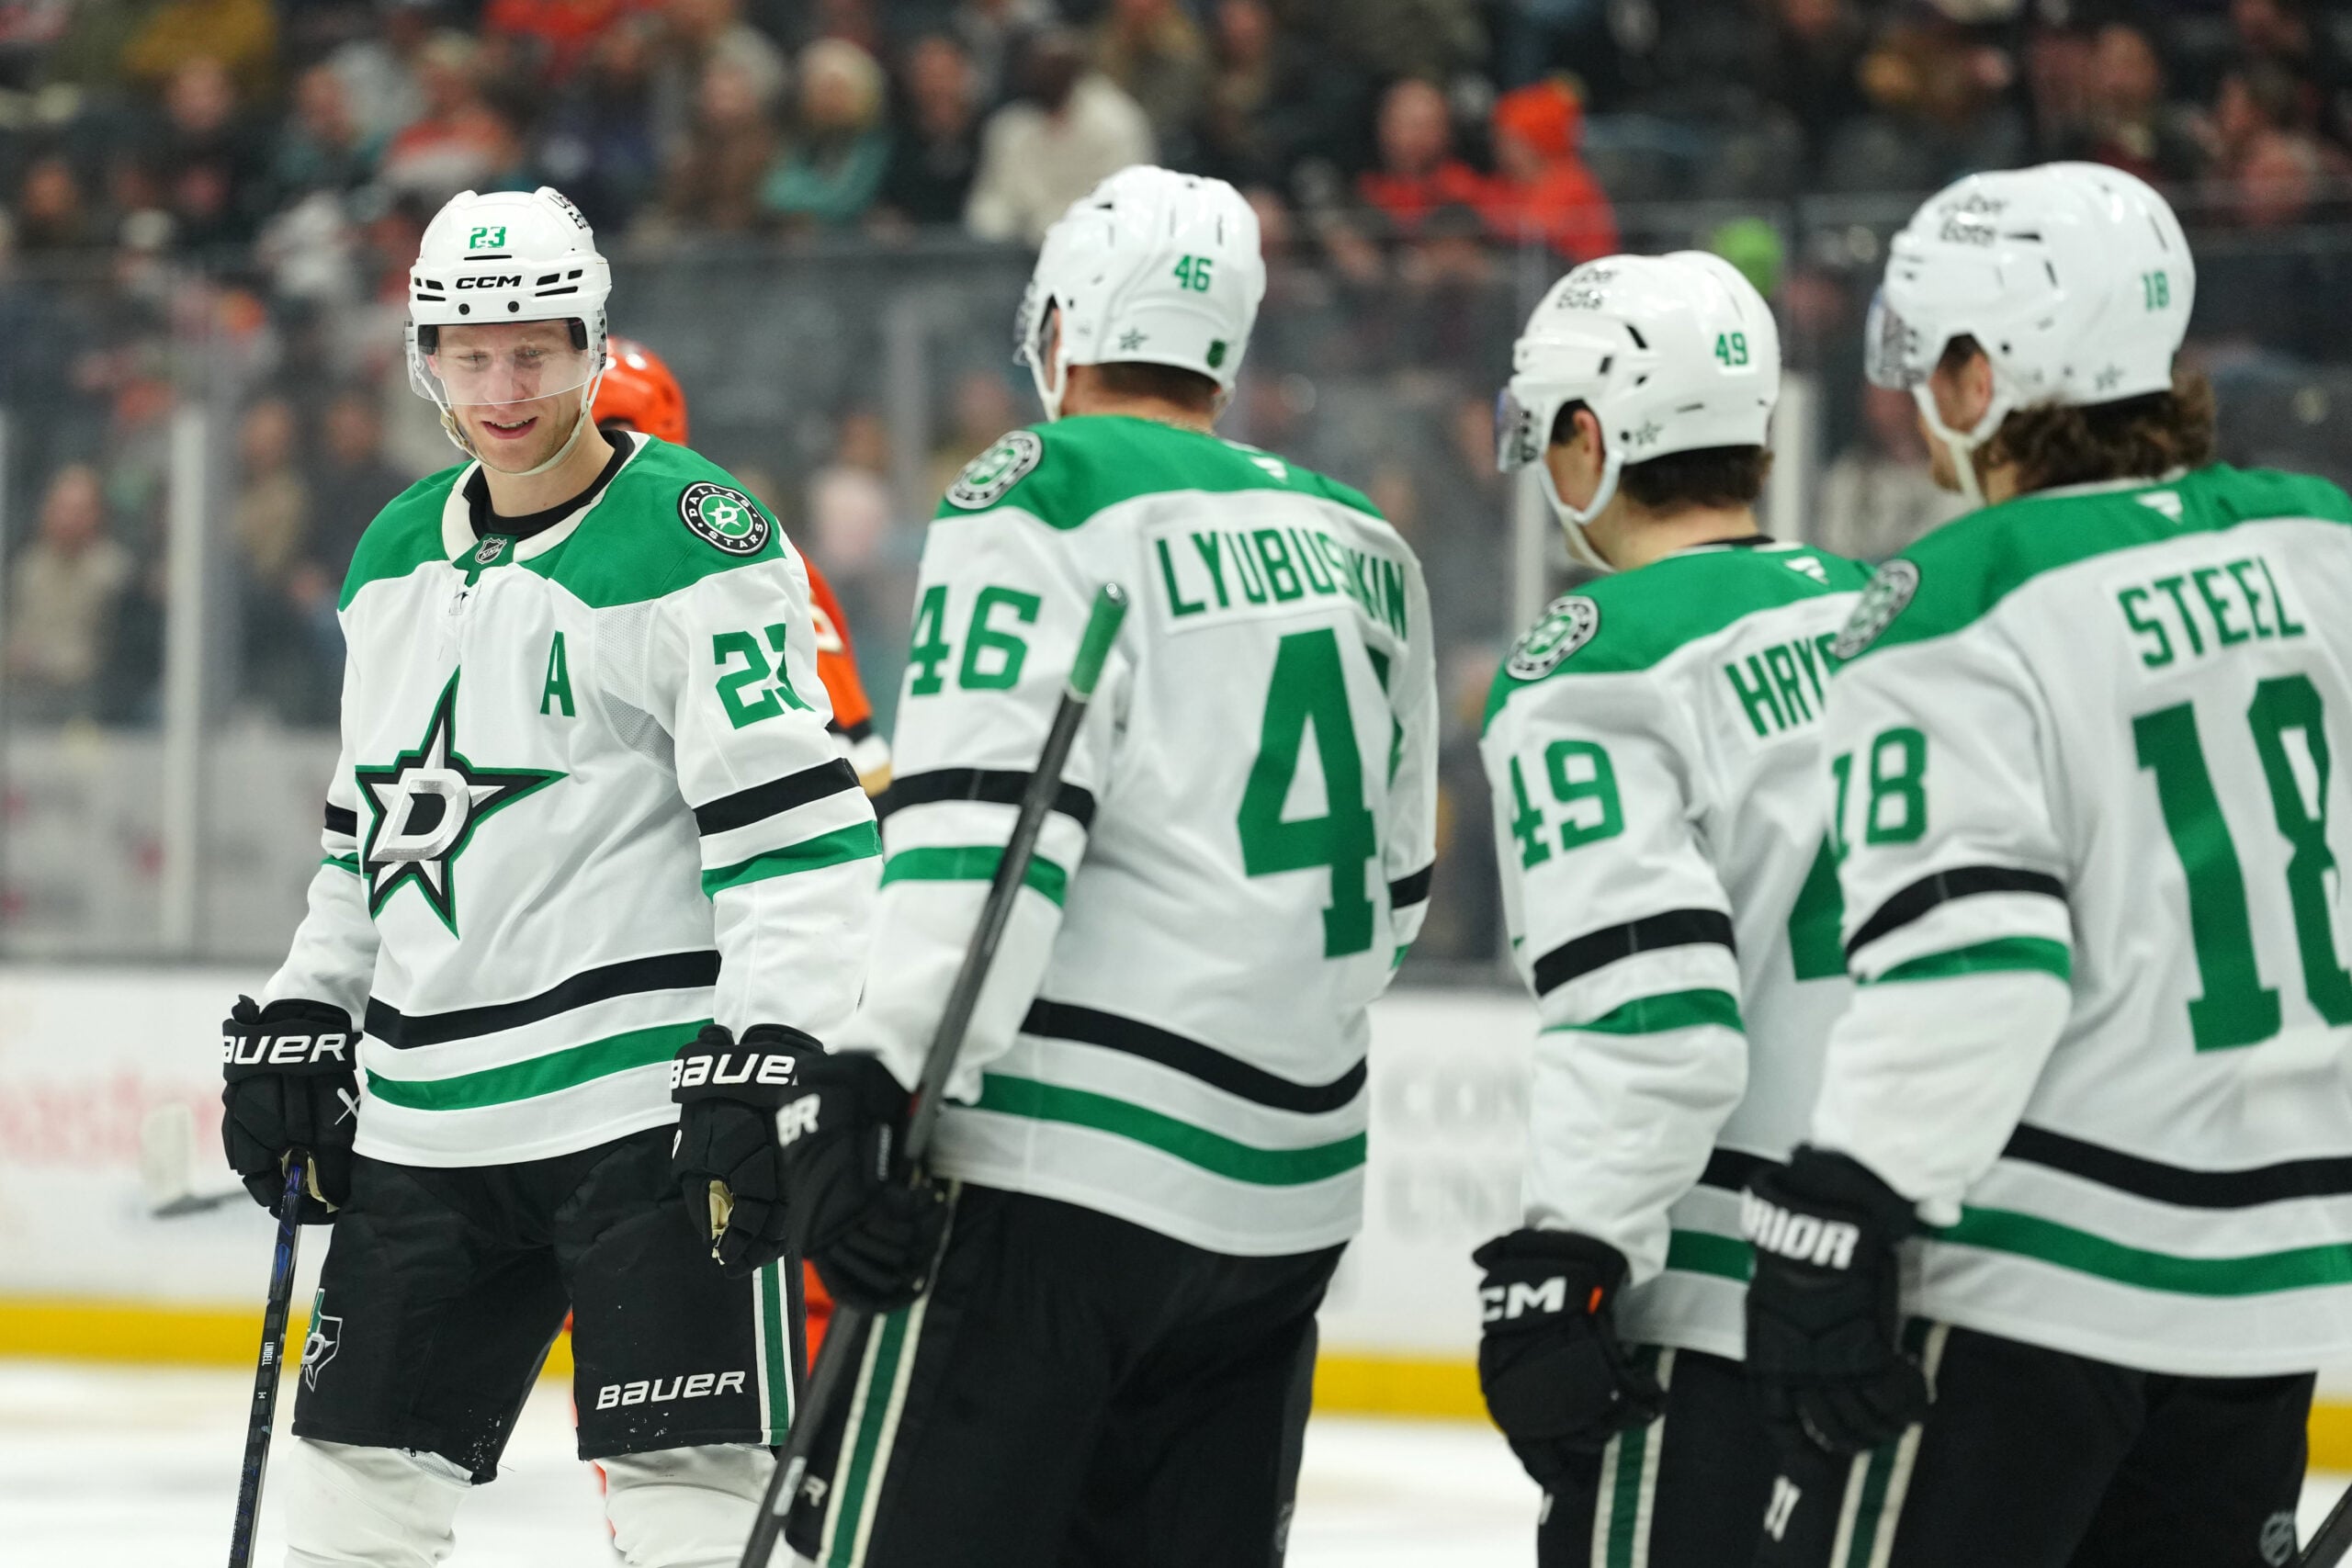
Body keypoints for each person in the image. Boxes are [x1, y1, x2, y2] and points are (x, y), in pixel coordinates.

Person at [775, 164, 1438, 1567]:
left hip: (1059, 1184)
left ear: (1063, 327)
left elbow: (985, 825)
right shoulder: (1365, 541)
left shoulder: (1049, 486)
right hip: (1288, 1204)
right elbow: (1401, 886)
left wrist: (881, 1078)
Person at [218, 185, 879, 1567]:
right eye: (471, 355)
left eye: (535, 350)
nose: (505, 389)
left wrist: (777, 1041)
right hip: (425, 1120)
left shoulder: (695, 532)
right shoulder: (392, 553)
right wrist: (310, 1000)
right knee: (342, 1511)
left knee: (690, 1495)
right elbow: (364, 830)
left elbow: (802, 832)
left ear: (590, 343)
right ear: (426, 362)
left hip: (643, 1108)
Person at [1743, 162, 2352, 1567]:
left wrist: (1849, 1196)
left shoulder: (1961, 594)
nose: (1917, 400)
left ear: (1986, 375)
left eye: (1932, 360)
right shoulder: (2321, 539)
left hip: (2040, 1275)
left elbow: (1980, 962)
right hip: (2270, 1283)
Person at [1474, 251, 1867, 1568]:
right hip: (1907, 1287)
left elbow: (1654, 1016)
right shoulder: (1887, 621)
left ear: (1590, 439)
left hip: (1720, 1310)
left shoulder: (1602, 661)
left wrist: (1574, 1250)